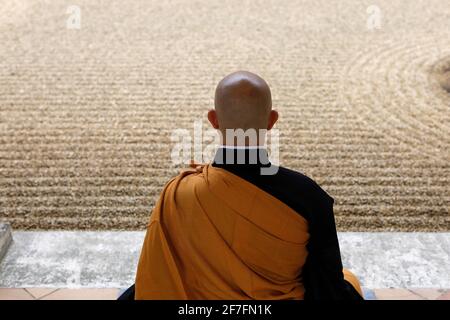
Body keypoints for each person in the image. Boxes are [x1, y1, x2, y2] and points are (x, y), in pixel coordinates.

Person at [119, 71, 363, 300]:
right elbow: (325, 284)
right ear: (272, 120)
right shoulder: (308, 196)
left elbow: (160, 273)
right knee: (349, 280)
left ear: (213, 119)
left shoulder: (180, 194)